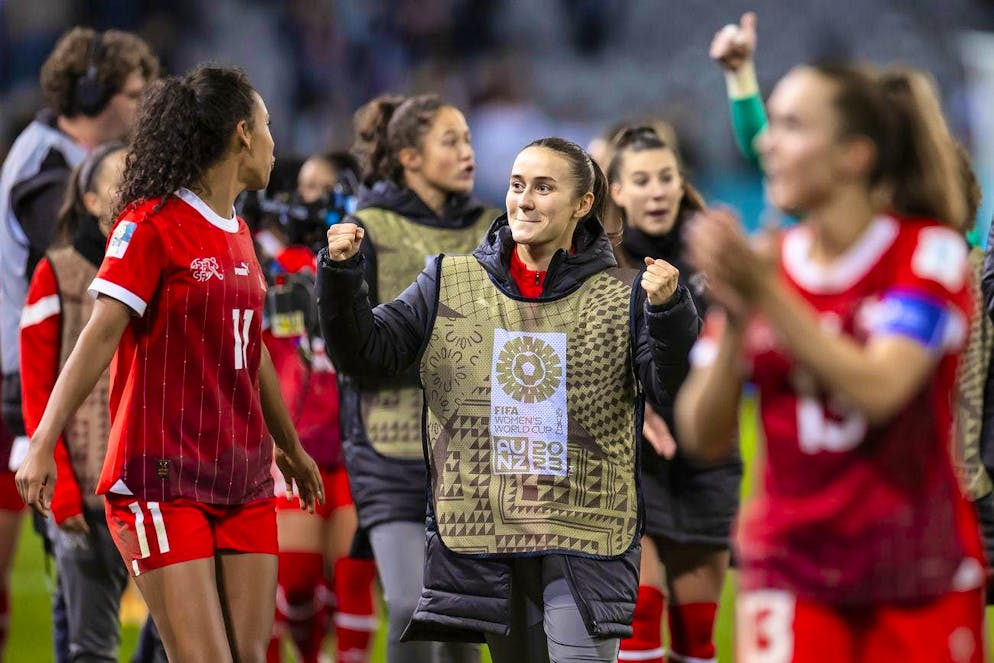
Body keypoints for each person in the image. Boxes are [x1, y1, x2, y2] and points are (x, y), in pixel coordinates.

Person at [317, 136, 701, 663]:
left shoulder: (626, 294)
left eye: (544, 188)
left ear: (582, 204)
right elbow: (367, 354)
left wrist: (670, 314)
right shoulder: (447, 281)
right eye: (517, 185)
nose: (524, 200)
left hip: (583, 532)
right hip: (489, 533)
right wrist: (341, 277)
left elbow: (671, 389)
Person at [676, 53, 983, 662]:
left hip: (915, 572)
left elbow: (880, 388)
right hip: (791, 573)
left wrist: (767, 295)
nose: (766, 143)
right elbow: (700, 436)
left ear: (854, 156)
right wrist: (736, 322)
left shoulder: (927, 254)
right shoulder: (766, 262)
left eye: (792, 125)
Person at [15, 65, 324, 663]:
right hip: (163, 481)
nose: (273, 141)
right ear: (242, 133)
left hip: (244, 478)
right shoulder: (148, 224)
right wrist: (43, 442)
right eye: (266, 125)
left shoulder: (239, 231)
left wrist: (289, 447)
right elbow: (99, 336)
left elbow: (251, 349)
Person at [0, 26, 158, 662]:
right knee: (75, 573)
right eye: (135, 94)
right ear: (92, 94)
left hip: (71, 391)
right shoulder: (46, 168)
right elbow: (89, 269)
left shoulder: (59, 155)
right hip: (35, 387)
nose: (143, 108)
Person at [330, 93, 500, 663]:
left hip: (471, 451)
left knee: (462, 623)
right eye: (451, 141)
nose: (468, 152)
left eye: (468, 140)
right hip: (390, 444)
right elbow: (356, 343)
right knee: (409, 607)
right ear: (409, 157)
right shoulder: (366, 228)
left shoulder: (491, 227)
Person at [20, 141, 166, 663]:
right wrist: (58, 486)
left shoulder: (163, 257)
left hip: (156, 485)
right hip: (82, 491)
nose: (136, 185)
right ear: (88, 200)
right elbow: (37, 391)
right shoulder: (57, 272)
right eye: (121, 177)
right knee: (92, 648)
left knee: (175, 640)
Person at [608, 125, 740, 663]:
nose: (657, 191)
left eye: (666, 177)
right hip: (630, 462)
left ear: (682, 183)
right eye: (641, 180)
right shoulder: (598, 265)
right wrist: (634, 410)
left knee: (697, 638)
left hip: (704, 460)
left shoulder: (715, 258)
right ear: (617, 191)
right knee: (639, 617)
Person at [264, 151, 377, 663]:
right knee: (297, 580)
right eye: (303, 186)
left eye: (320, 186)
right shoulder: (276, 266)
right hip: (297, 441)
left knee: (352, 577)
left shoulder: (371, 264)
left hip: (356, 440)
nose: (306, 197)